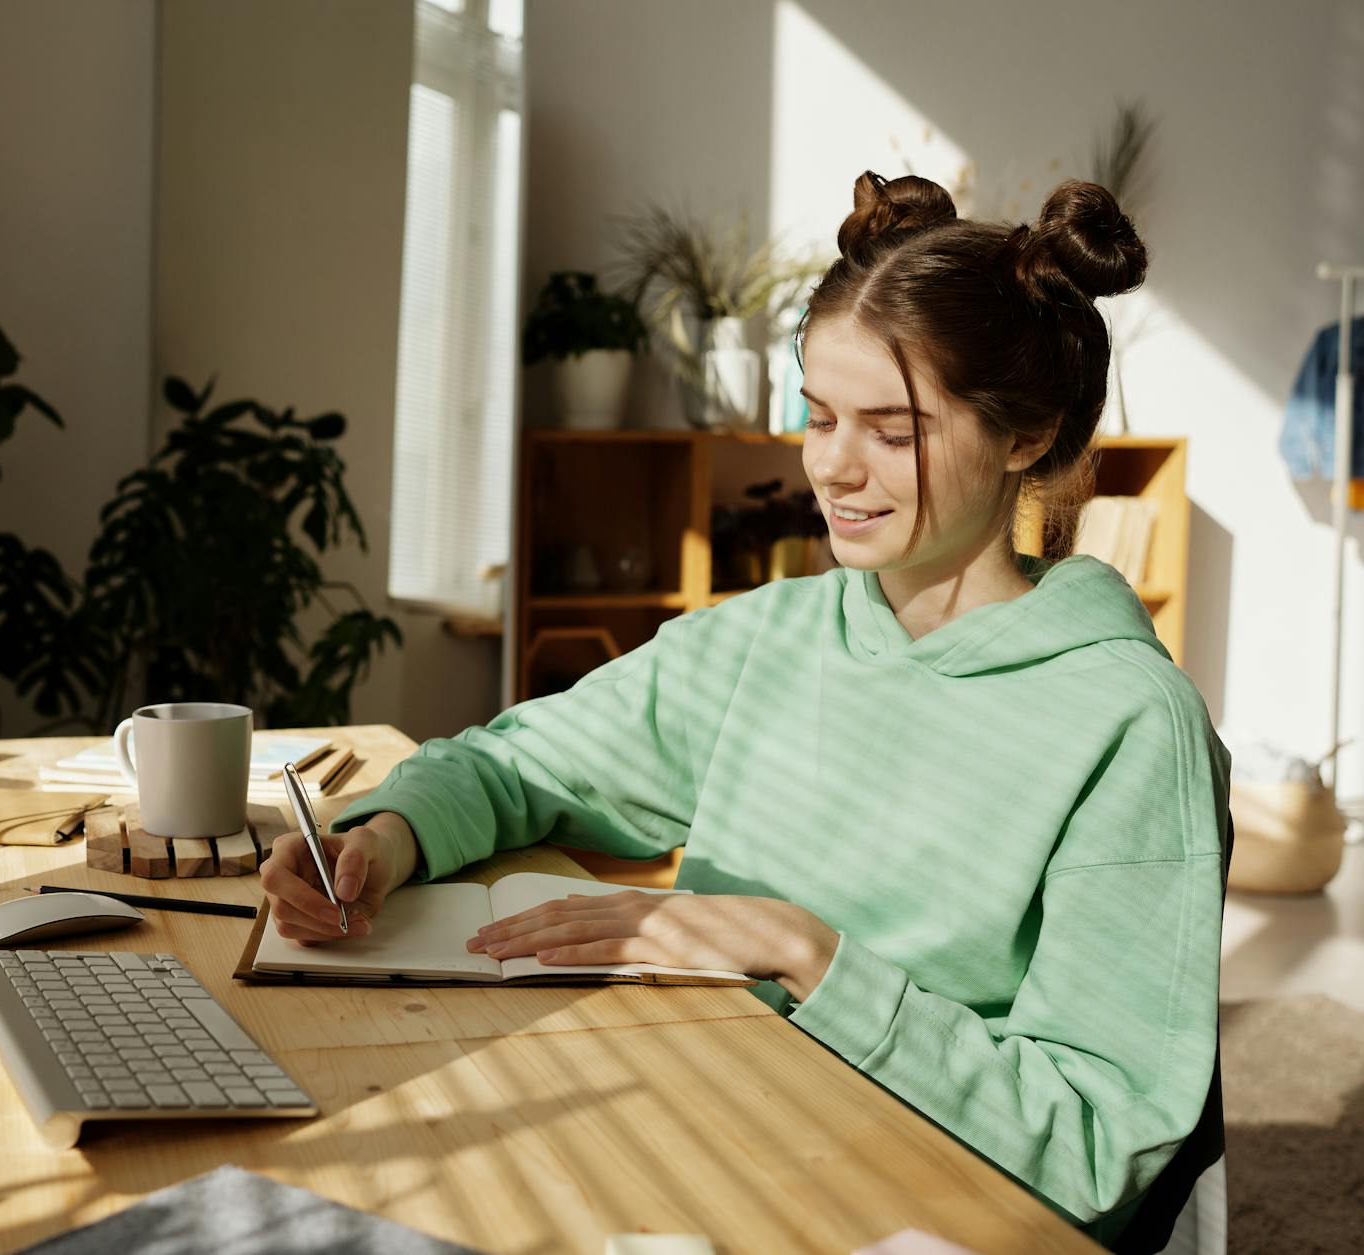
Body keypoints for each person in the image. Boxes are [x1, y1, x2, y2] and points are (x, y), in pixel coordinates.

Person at [260, 171, 1231, 1249]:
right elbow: (524, 763)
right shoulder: (766, 638)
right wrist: (385, 837)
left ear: (1023, 435)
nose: (830, 466)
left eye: (891, 430)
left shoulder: (1130, 724)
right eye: (817, 417)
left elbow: (1096, 1144)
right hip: (700, 1126)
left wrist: (803, 954)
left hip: (909, 1207)